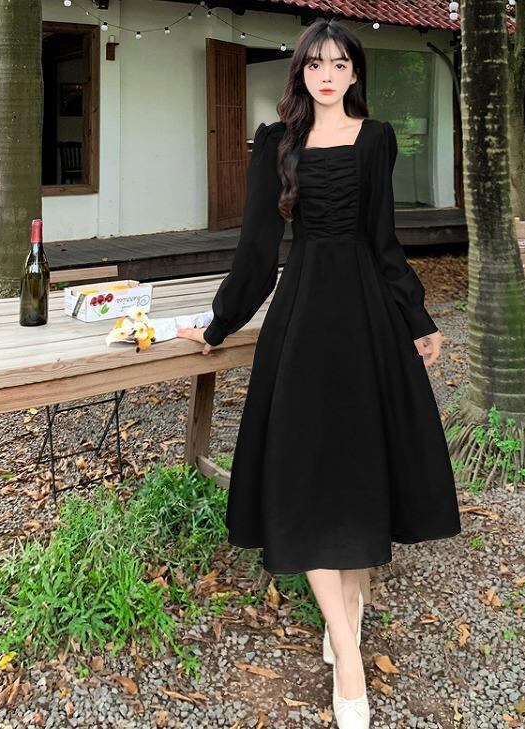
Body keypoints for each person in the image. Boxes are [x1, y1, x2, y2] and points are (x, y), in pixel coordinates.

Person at [176, 18, 461, 728]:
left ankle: (349, 614)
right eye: (314, 64)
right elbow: (256, 250)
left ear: (355, 72)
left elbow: (384, 241)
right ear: (300, 72)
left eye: (339, 63)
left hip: (367, 317)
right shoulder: (276, 143)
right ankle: (347, 648)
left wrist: (417, 318)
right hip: (301, 318)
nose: (327, 75)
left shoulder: (377, 138)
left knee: (358, 464)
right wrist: (217, 324)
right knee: (303, 470)